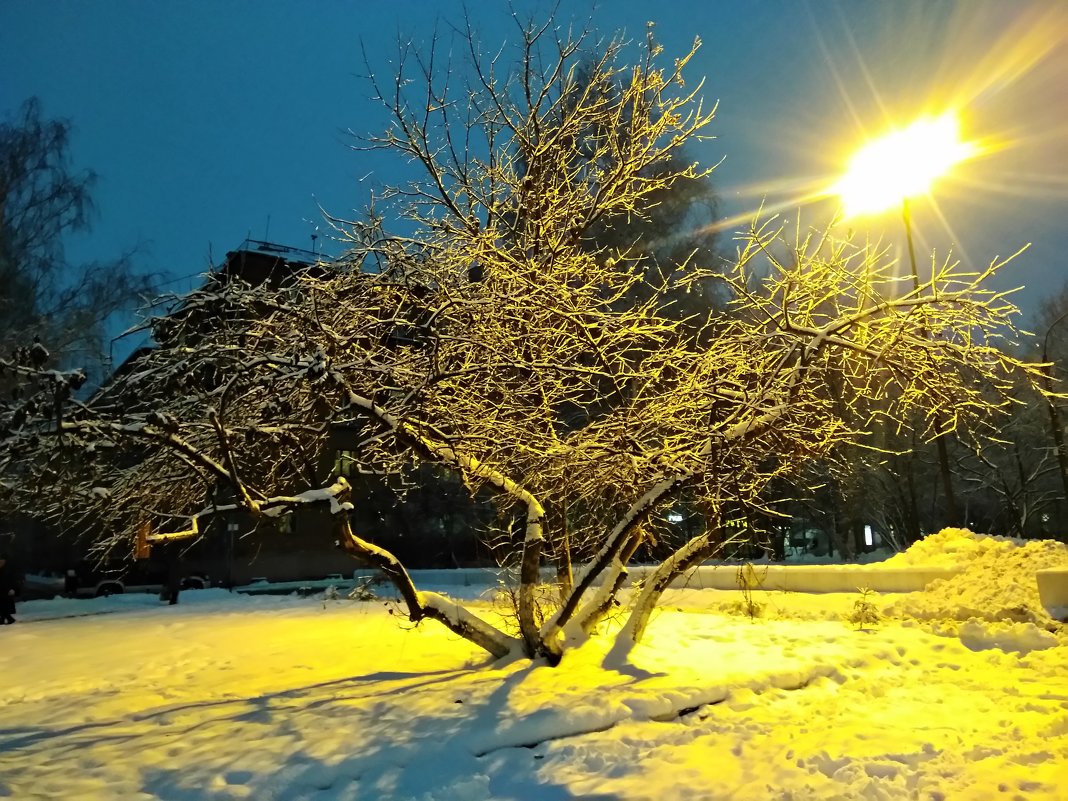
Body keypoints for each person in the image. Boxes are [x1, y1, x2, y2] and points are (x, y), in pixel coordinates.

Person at [0, 552, 17, 624]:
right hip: (1, 590)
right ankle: (5, 619)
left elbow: (12, 580)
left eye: (2, 561)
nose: (1, 562)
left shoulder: (8, 569)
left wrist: (12, 589)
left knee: (3, 605)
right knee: (2, 605)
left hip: (6, 590)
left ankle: (8, 619)